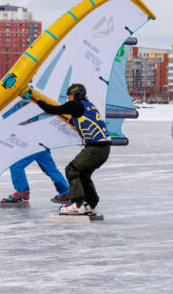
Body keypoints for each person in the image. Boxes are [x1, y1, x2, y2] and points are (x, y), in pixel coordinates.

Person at [25, 82, 111, 215]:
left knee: (72, 170)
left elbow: (52, 109)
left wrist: (35, 99)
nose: (68, 98)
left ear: (76, 95)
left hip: (95, 148)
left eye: (69, 95)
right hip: (104, 148)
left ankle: (77, 204)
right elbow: (82, 120)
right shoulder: (88, 105)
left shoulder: (76, 105)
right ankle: (90, 203)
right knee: (83, 174)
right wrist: (71, 121)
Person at [0, 149, 70, 205]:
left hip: (33, 146)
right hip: (42, 145)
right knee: (51, 169)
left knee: (15, 166)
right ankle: (65, 192)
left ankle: (22, 192)